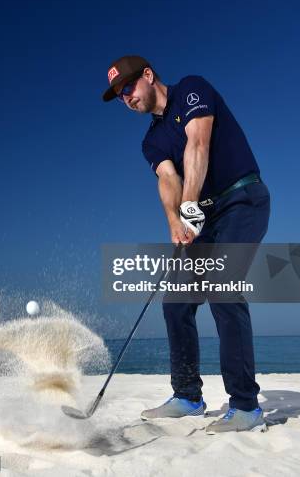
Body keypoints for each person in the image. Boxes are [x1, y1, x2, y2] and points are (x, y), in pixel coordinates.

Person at [102, 55, 270, 434]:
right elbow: (167, 178)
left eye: (128, 87)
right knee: (176, 300)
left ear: (148, 75)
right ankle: (188, 396)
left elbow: (198, 144)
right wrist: (175, 221)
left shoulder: (192, 89)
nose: (126, 97)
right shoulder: (150, 141)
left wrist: (191, 202)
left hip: (243, 200)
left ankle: (245, 406)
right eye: (119, 95)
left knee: (223, 291)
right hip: (205, 219)